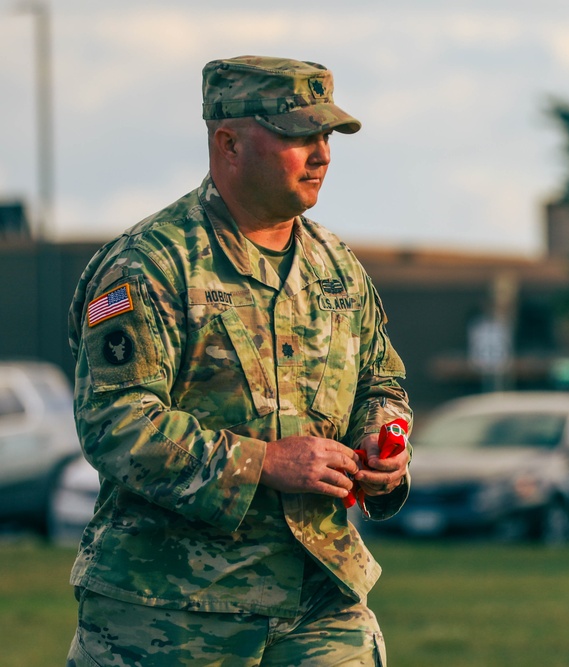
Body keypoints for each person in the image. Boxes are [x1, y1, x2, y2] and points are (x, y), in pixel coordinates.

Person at [65, 55, 412, 666]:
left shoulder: (336, 267)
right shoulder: (149, 265)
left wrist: (380, 445)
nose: (322, 154)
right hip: (171, 613)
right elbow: (115, 421)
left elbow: (381, 381)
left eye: (326, 136)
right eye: (298, 136)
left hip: (320, 600)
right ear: (228, 142)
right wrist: (264, 463)